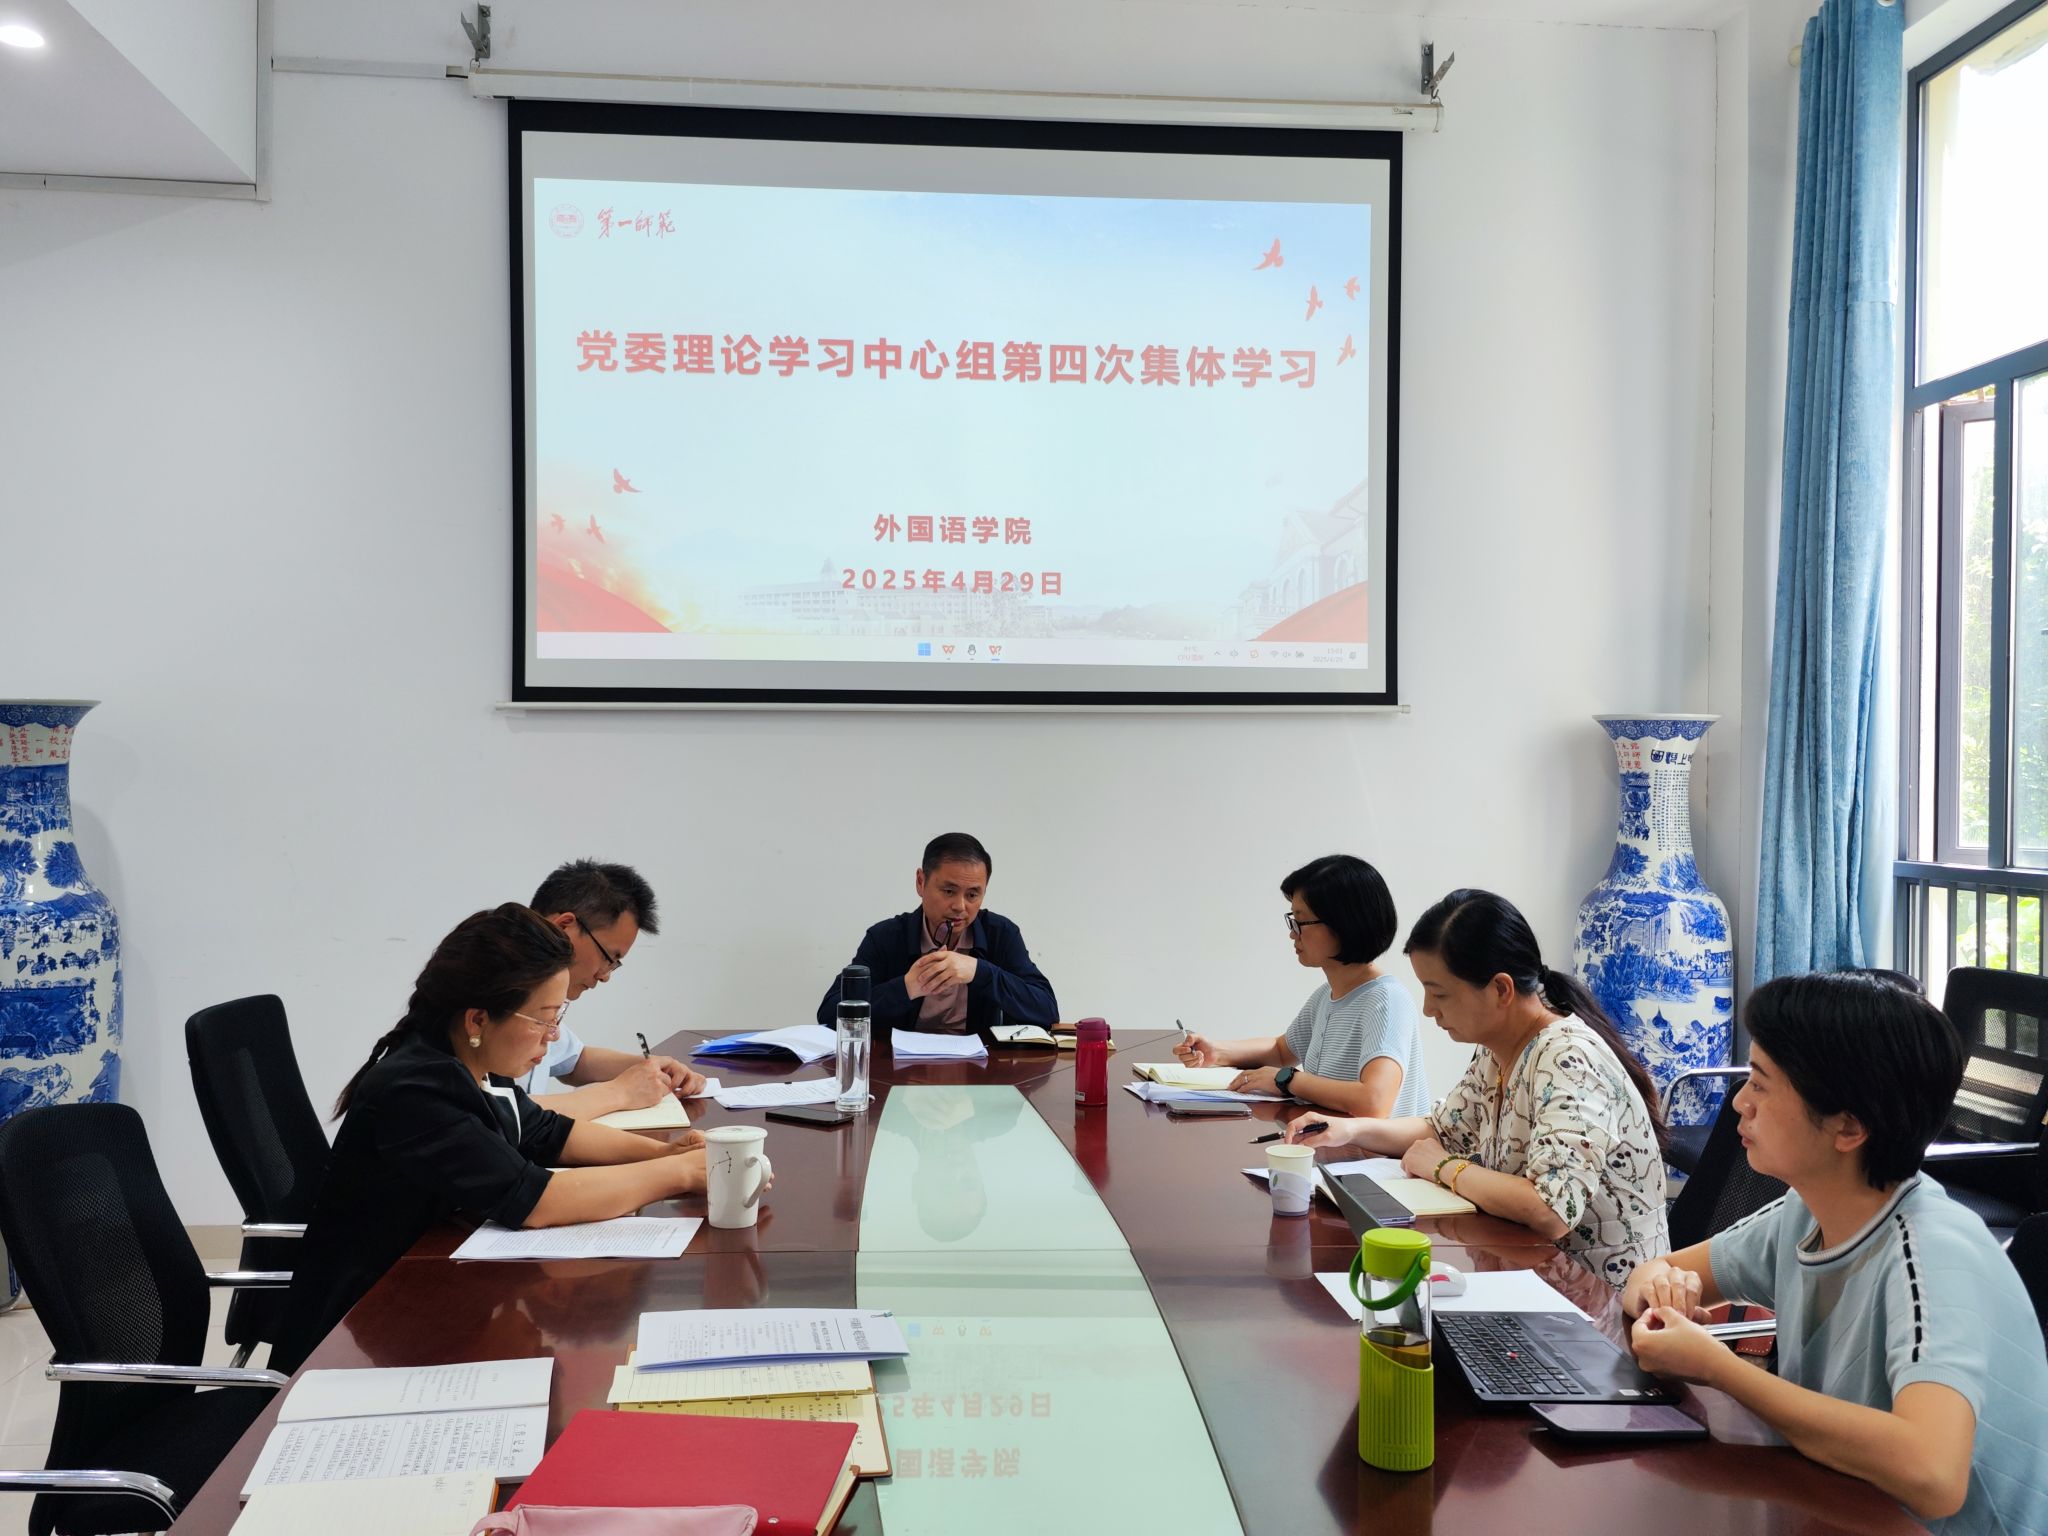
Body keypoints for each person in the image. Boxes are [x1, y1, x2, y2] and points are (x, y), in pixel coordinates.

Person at [1623, 972, 2048, 1535]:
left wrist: (1718, 1368)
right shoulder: (1807, 1211)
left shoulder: (1934, 1255)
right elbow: (1652, 1272)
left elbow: (1934, 1475)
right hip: (1846, 1509)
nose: (1739, 1102)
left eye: (1761, 1084)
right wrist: (1664, 1293)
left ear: (1848, 1127)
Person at [272, 905, 710, 1373]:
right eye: (543, 1018)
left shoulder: (471, 1065)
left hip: (425, 1295)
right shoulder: (415, 1090)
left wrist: (663, 1152)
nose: (552, 1036)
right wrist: (677, 1173)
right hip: (358, 1338)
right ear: (478, 1020)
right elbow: (537, 1200)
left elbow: (547, 1131)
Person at [1287, 888, 1667, 1286]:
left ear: (1501, 989)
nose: (1428, 1009)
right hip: (1528, 1276)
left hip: (1604, 1299)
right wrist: (1349, 1129)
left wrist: (1443, 1167)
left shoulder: (1568, 1058)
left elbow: (1551, 1208)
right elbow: (1441, 1130)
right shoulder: (1498, 1048)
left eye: (1439, 993)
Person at [1174, 855, 1430, 1117]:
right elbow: (1281, 1051)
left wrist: (1287, 1080)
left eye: (1301, 921)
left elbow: (1374, 1101)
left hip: (1368, 1146)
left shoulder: (1385, 1001)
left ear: (1345, 923)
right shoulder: (1326, 996)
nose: (1292, 933)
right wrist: (1216, 1051)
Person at [815, 832, 1057, 1035]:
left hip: (978, 1068)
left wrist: (980, 972)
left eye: (972, 895)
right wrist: (906, 987)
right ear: (921, 882)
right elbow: (829, 1014)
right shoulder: (886, 937)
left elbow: (1047, 1010)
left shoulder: (1000, 934)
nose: (960, 906)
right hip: (899, 1068)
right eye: (949, 891)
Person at [519, 859, 705, 1120]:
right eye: (608, 957)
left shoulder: (538, 989)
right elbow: (502, 1115)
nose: (605, 976)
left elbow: (574, 1059)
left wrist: (652, 1069)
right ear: (564, 926)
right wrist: (619, 1093)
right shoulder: (491, 986)